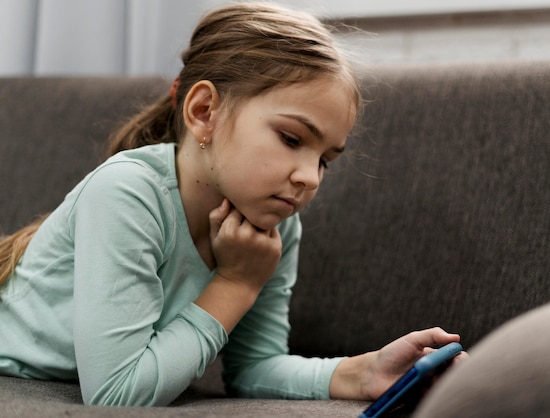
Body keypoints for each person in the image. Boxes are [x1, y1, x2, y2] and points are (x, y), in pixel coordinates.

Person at [0, 2, 467, 407]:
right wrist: (236, 283)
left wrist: (363, 373)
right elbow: (117, 395)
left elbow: (253, 368)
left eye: (325, 160)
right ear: (205, 112)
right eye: (291, 138)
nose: (309, 177)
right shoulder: (129, 193)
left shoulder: (275, 224)